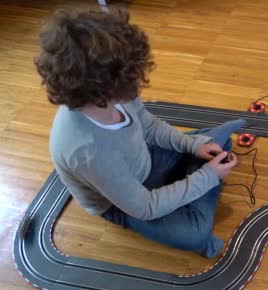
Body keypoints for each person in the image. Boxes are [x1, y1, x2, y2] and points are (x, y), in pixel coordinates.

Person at [35, 8, 244, 258]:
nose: (138, 82)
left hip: (144, 157)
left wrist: (192, 146)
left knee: (213, 146)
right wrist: (208, 177)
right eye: (131, 77)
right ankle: (197, 178)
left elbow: (149, 126)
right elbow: (144, 207)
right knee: (195, 235)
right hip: (123, 203)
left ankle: (194, 174)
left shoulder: (112, 96)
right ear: (105, 88)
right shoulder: (87, 152)